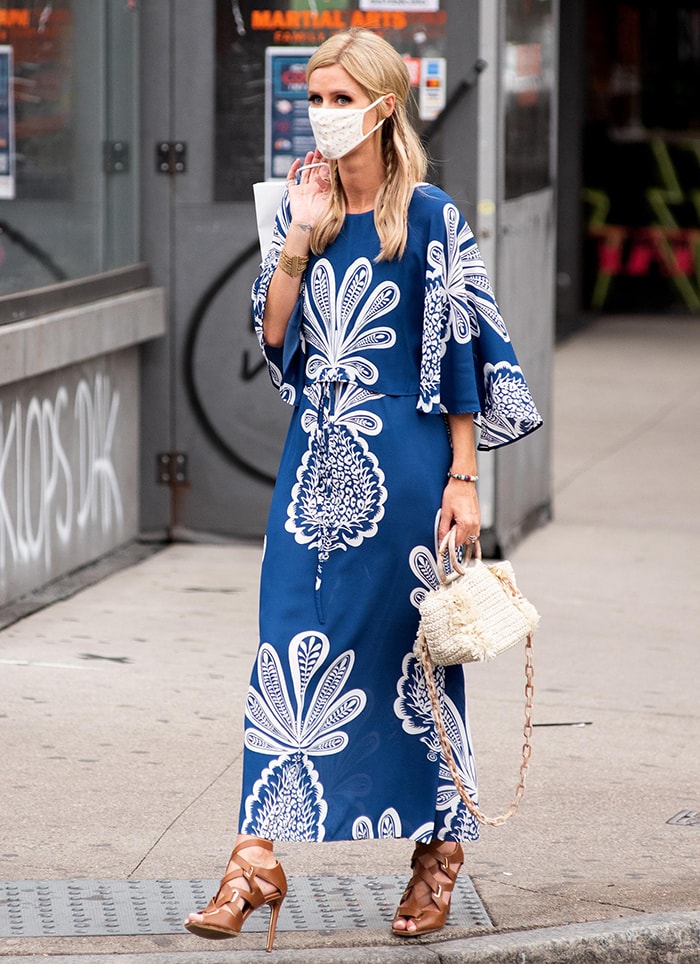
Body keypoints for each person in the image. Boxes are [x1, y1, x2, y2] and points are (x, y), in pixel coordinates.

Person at [185, 26, 541, 950]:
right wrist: (298, 241)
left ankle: (440, 851)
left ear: (385, 108)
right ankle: (253, 862)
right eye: (317, 97)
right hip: (316, 466)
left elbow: (462, 354)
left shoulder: (430, 215)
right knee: (290, 654)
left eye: (344, 99)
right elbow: (273, 339)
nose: (325, 115)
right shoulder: (298, 205)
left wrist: (466, 475)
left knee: (413, 661)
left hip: (414, 464)